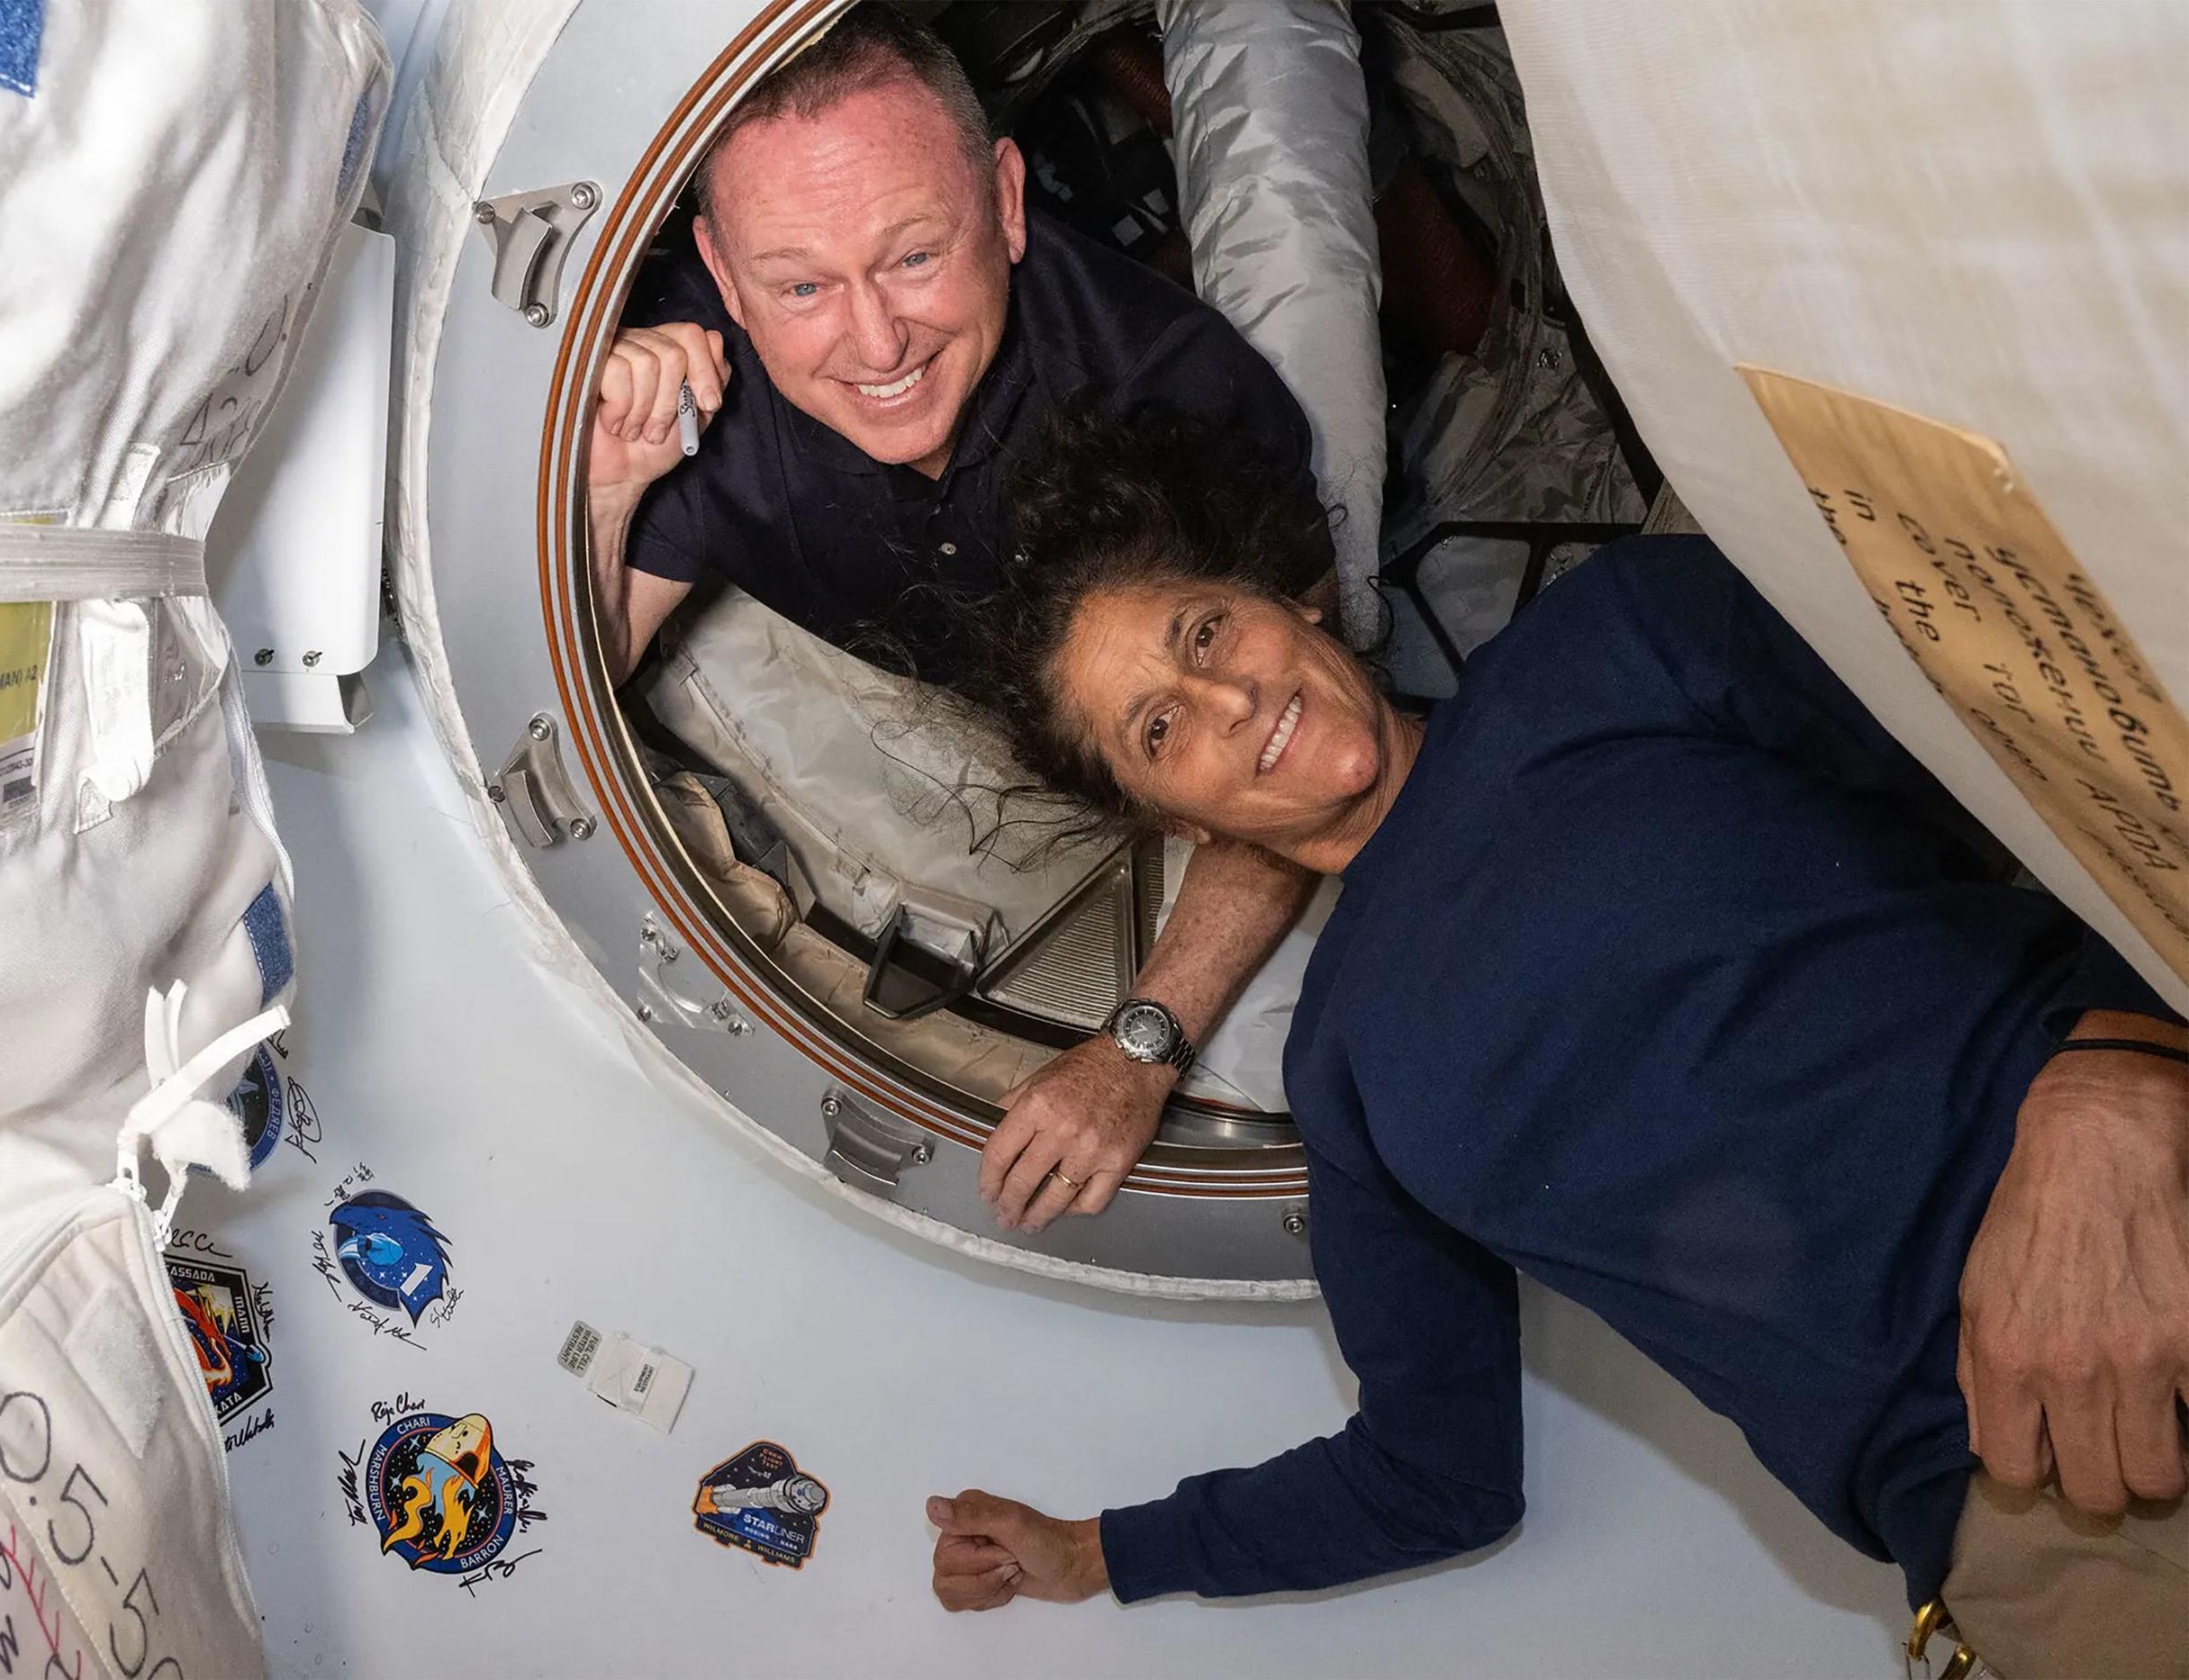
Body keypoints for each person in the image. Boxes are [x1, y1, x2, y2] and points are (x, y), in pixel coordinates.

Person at [920, 411, 2189, 1677]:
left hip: (2147, 1193)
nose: (1229, 695)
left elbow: (2060, 753)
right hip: (2037, 1509)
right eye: (1159, 727)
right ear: (1173, 821)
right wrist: (1100, 1551)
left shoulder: (1616, 636)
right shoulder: (1346, 1075)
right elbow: (1434, 1472)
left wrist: (2122, 1068)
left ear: (1294, 602)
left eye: (1207, 631)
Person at [584, 4, 1343, 1230]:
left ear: (1003, 198)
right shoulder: (696, 386)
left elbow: (1310, 744)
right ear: (722, 273)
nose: (875, 338)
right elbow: (582, 668)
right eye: (800, 284)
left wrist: (1138, 1047)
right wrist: (612, 483)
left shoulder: (1176, 396)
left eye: (914, 257)